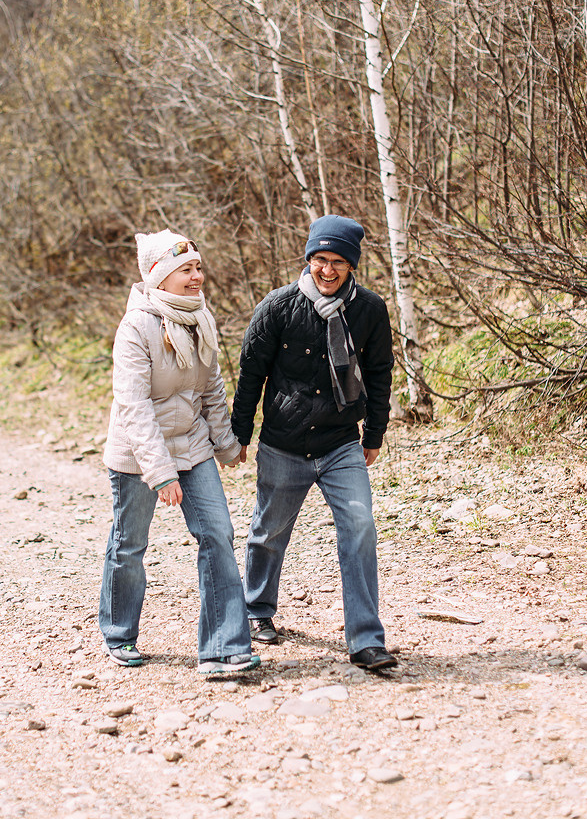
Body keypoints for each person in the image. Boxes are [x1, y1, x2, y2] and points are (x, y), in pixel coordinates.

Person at [231, 214, 397, 671]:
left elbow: (380, 374)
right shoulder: (278, 306)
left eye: (338, 262)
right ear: (308, 260)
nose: (327, 270)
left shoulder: (369, 309)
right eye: (320, 259)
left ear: (352, 266)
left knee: (360, 527)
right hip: (283, 444)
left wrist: (375, 432)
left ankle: (366, 640)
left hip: (340, 442)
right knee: (268, 532)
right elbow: (251, 374)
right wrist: (239, 435)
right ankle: (257, 610)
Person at [99, 229, 259, 676]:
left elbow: (210, 387)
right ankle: (119, 634)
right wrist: (160, 472)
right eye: (185, 270)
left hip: (192, 447)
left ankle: (224, 647)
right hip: (138, 455)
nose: (196, 277)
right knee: (129, 544)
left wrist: (226, 443)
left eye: (198, 268)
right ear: (159, 277)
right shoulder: (136, 327)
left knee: (218, 533)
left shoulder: (199, 317)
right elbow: (133, 406)